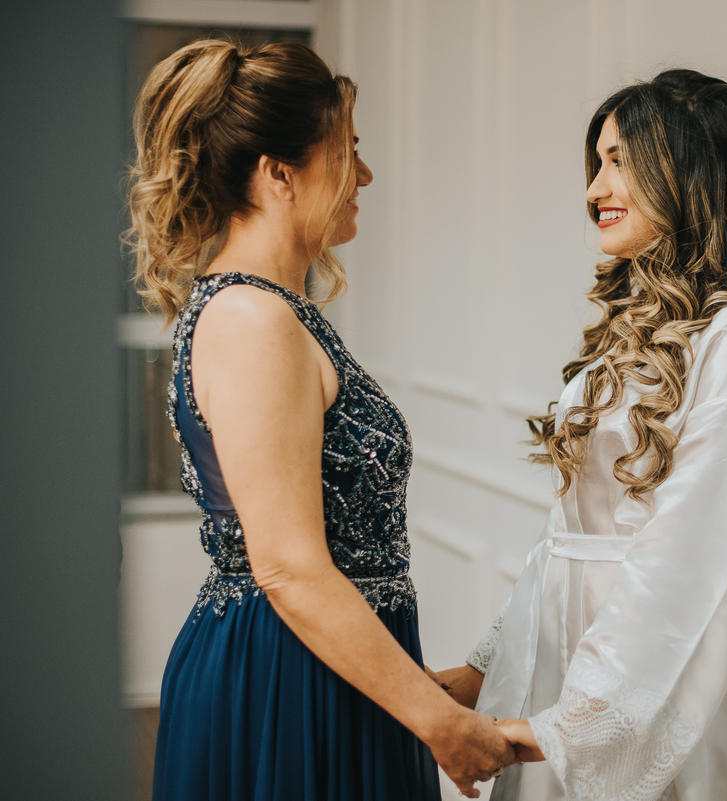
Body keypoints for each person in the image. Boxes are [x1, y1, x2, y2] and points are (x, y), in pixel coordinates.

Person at [127, 39, 515, 800]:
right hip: (285, 680)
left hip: (325, 667)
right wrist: (437, 721)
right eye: (348, 152)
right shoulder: (250, 320)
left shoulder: (281, 311)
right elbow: (288, 566)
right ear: (278, 172)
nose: (364, 175)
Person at [435, 69, 727, 801]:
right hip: (559, 661)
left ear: (685, 172)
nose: (593, 189)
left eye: (619, 162)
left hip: (662, 675)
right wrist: (487, 663)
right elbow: (566, 535)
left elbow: (693, 547)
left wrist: (582, 721)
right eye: (596, 163)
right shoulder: (628, 328)